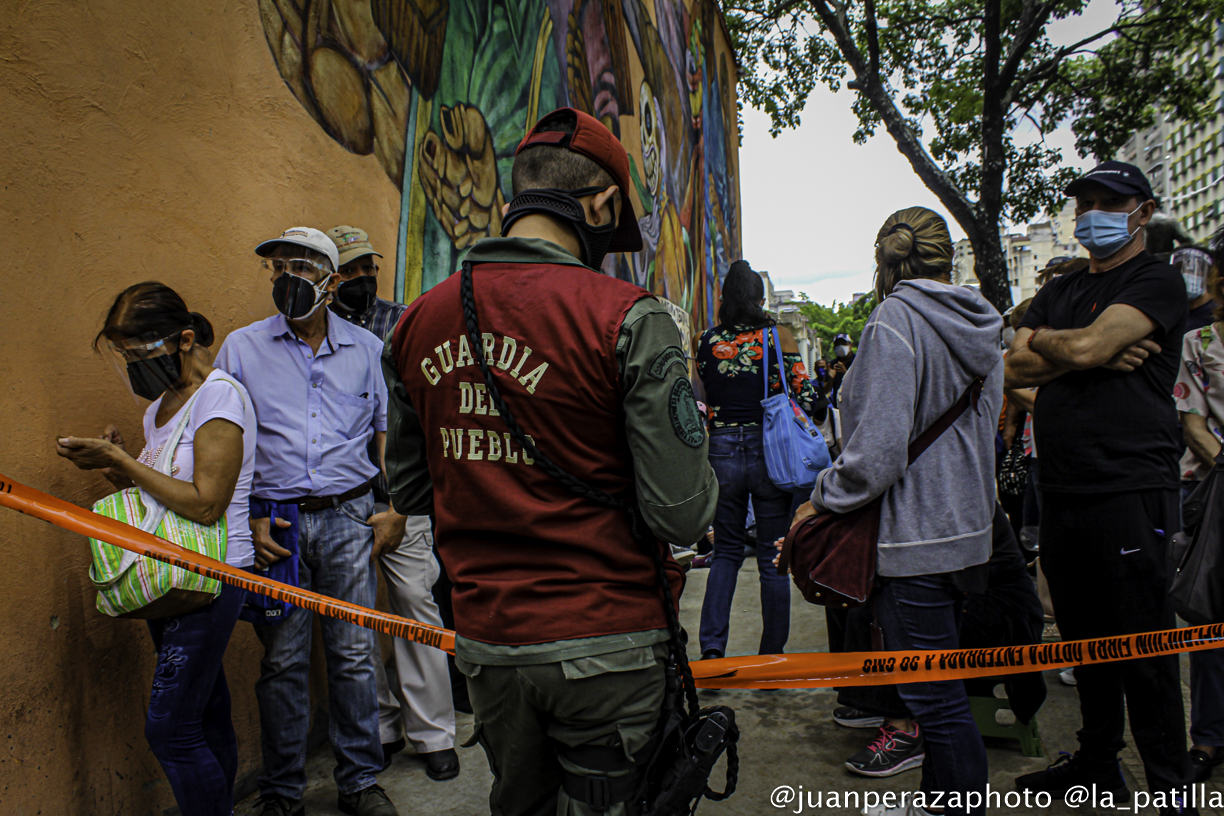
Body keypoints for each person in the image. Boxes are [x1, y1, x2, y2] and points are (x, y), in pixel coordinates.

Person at [382, 107, 718, 815]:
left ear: (513, 203)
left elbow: (410, 488)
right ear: (599, 203)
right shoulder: (631, 316)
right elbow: (679, 509)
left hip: (489, 649)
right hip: (610, 642)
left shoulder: (417, 322)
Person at [794, 206, 1003, 816]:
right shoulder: (984, 323)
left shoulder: (894, 321)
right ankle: (940, 802)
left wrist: (819, 500)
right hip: (970, 534)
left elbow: (876, 455)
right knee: (944, 697)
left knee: (936, 704)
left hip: (914, 545)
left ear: (885, 258)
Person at [1006, 161, 1195, 814]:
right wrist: (1080, 348)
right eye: (1084, 202)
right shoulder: (1063, 291)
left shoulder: (1156, 280)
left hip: (1130, 493)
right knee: (1085, 645)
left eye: (1108, 202)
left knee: (1145, 651)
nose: (1092, 214)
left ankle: (1172, 790)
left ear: (1142, 211)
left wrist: (1065, 349)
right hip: (1062, 492)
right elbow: (1012, 365)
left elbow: (1072, 351)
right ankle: (1096, 765)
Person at [213, 227, 399, 816]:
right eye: (278, 267)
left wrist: (391, 508)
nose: (287, 277)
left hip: (350, 516)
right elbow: (225, 443)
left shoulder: (367, 351)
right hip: (277, 527)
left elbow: (385, 436)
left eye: (302, 265)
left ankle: (360, 783)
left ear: (332, 279)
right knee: (283, 661)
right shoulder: (241, 350)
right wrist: (247, 521)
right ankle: (283, 793)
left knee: (353, 654)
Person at [56, 283, 257, 816]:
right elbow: (161, 500)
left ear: (184, 339)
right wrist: (116, 465)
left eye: (138, 355)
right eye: (124, 358)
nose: (131, 369)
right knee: (204, 716)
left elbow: (206, 505)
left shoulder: (220, 396)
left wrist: (125, 464)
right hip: (169, 575)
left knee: (169, 729)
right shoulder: (159, 411)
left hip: (212, 577)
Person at [325, 225, 459, 780]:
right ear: (332, 280)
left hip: (403, 496)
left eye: (367, 268)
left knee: (415, 603)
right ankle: (378, 727)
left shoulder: (405, 322)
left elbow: (427, 408)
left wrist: (405, 501)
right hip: (345, 498)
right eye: (351, 271)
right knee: (358, 620)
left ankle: (434, 735)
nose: (364, 278)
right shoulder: (320, 332)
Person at [694, 259, 827, 660]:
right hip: (770, 452)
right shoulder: (777, 336)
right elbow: (807, 395)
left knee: (727, 553)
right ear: (758, 297)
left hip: (720, 451)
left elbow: (699, 398)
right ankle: (771, 654)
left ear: (724, 298)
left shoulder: (705, 340)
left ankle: (713, 650)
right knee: (772, 555)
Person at [1174, 228, 1224, 783]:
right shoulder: (1199, 344)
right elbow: (1192, 423)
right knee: (1210, 615)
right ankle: (1210, 736)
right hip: (1210, 491)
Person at [829, 332, 855, 406]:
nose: (840, 346)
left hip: (855, 405)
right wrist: (831, 378)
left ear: (851, 345)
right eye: (837, 344)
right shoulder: (832, 364)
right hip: (838, 406)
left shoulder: (857, 361)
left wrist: (846, 373)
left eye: (843, 343)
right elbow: (826, 391)